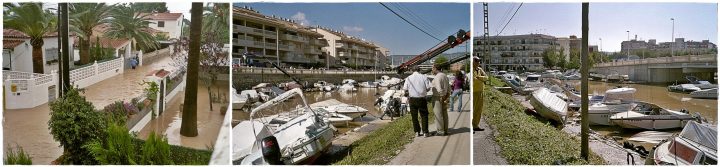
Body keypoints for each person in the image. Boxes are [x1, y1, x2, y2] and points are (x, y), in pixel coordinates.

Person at [402, 66, 431, 137]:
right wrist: (423, 90)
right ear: (419, 70)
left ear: (412, 70)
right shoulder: (424, 77)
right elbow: (428, 88)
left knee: (414, 116)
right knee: (424, 115)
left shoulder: (408, 78)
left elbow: (405, 89)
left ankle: (417, 132)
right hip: (422, 98)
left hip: (412, 99)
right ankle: (425, 132)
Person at [431, 64, 450, 136]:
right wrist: (446, 96)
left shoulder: (437, 77)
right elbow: (449, 87)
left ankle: (440, 131)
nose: (432, 70)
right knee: (444, 113)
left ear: (435, 68)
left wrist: (442, 96)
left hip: (438, 97)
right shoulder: (445, 75)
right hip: (445, 96)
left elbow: (438, 88)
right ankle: (445, 129)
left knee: (438, 114)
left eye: (432, 68)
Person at [472, 57, 489, 132]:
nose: (478, 62)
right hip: (474, 92)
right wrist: (480, 79)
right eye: (476, 61)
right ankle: (472, 125)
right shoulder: (471, 69)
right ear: (472, 61)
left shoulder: (479, 69)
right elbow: (474, 80)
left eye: (479, 61)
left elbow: (486, 77)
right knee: (473, 109)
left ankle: (475, 125)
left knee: (479, 109)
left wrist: (479, 77)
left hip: (481, 91)